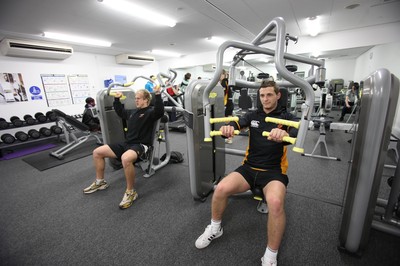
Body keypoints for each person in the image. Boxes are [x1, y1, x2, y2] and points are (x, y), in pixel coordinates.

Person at [195, 80, 299, 266]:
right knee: (220, 188)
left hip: (274, 172)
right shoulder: (254, 115)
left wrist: (285, 135)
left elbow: (295, 133)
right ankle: (215, 228)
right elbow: (237, 123)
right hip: (249, 168)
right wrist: (228, 128)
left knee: (275, 203)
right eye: (262, 95)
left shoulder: (287, 117)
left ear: (278, 95)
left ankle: (270, 254)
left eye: (269, 95)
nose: (265, 99)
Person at [83, 86, 164, 209]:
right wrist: (116, 99)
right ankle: (100, 182)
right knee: (97, 152)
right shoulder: (132, 112)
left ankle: (131, 192)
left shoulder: (151, 112)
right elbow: (120, 112)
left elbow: (160, 112)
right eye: (135, 98)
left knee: (126, 159)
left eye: (138, 98)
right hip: (127, 143)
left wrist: (158, 94)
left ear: (146, 99)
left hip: (141, 145)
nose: (135, 100)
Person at [220, 69, 234, 144]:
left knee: (228, 123)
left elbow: (223, 94)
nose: (219, 76)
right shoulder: (224, 81)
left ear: (223, 75)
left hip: (228, 105)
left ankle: (229, 138)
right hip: (227, 105)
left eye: (220, 74)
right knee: (226, 122)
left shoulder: (224, 82)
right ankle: (228, 138)